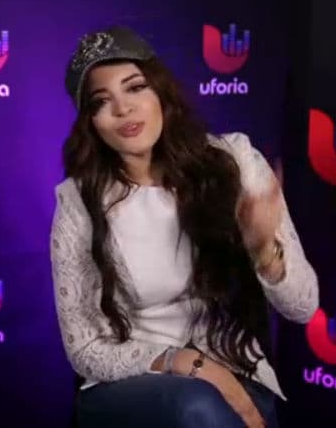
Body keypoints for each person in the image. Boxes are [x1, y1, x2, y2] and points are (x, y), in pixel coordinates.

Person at [50, 26, 319, 428]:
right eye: (101, 101)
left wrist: (264, 250)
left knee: (209, 408)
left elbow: (303, 307)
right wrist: (189, 363)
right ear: (91, 122)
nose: (124, 109)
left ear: (160, 91)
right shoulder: (79, 201)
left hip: (238, 375)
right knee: (196, 406)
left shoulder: (235, 161)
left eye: (135, 87)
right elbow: (85, 349)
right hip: (132, 386)